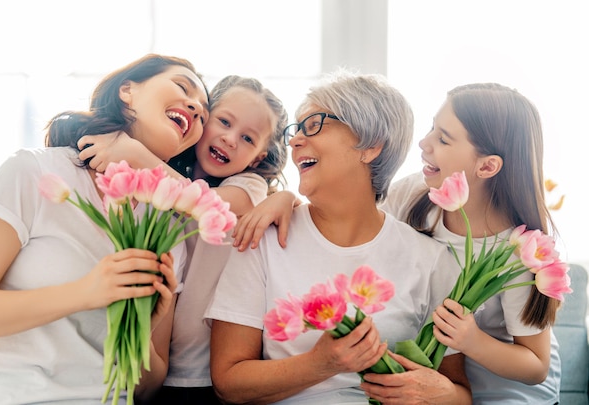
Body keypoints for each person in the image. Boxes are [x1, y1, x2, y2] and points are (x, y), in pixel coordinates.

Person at [233, 83, 561, 404]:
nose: (424, 142)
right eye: (432, 128)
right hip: (454, 371)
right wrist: (285, 198)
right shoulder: (419, 195)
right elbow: (352, 211)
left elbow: (535, 366)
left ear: (487, 165)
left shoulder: (521, 253)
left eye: (443, 138)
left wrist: (470, 340)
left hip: (512, 386)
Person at [205, 70, 472, 404]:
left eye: (314, 124)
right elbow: (228, 382)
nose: (295, 140)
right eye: (296, 129)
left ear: (370, 145)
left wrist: (440, 393)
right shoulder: (263, 239)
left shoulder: (430, 261)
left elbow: (461, 394)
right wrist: (320, 365)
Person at [0, 53, 209, 405]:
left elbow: (148, 386)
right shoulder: (33, 172)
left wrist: (143, 323)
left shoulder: (167, 229)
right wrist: (86, 292)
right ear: (128, 90)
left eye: (202, 112)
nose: (195, 108)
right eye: (183, 87)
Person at [77, 74, 288, 404]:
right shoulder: (169, 168)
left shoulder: (249, 187)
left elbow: (203, 205)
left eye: (248, 139)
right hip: (152, 360)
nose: (231, 139)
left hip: (202, 372)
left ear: (258, 159)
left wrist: (131, 151)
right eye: (223, 121)